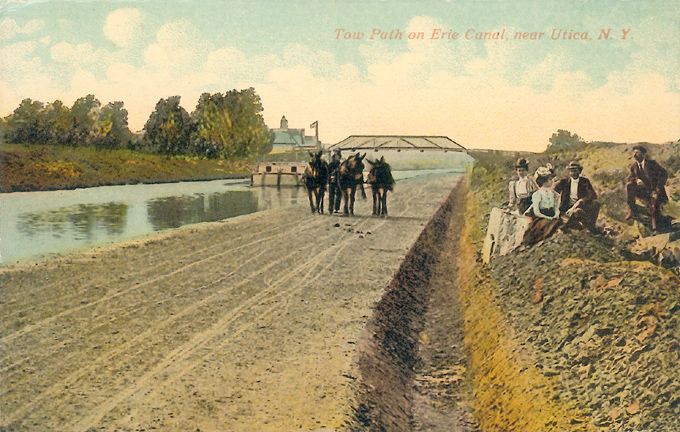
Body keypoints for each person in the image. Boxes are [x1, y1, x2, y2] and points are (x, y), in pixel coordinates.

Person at [625, 145, 668, 231]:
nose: (634, 155)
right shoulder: (634, 166)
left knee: (654, 204)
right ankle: (632, 209)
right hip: (643, 192)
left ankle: (654, 222)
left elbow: (664, 174)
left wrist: (657, 190)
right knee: (629, 185)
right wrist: (637, 180)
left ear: (643, 154)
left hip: (655, 190)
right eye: (634, 153)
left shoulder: (652, 164)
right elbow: (630, 178)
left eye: (637, 153)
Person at [553, 161, 600, 232]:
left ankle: (591, 226)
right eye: (571, 171)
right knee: (576, 214)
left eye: (575, 171)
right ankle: (574, 225)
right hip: (567, 208)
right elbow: (553, 191)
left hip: (581, 205)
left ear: (579, 171)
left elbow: (593, 195)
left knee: (596, 204)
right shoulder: (564, 182)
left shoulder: (585, 181)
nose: (573, 173)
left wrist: (582, 200)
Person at [522, 166, 560, 246]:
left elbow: (556, 207)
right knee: (544, 225)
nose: (552, 181)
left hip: (552, 214)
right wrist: (548, 217)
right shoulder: (537, 194)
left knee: (561, 221)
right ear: (543, 181)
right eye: (549, 179)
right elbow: (536, 212)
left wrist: (556, 214)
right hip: (541, 217)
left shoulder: (554, 194)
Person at [327, 149, 342, 213]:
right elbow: (328, 173)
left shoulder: (341, 165)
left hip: (339, 181)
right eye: (337, 157)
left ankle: (336, 208)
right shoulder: (331, 164)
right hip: (332, 181)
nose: (338, 158)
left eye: (338, 157)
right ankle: (331, 208)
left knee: (339, 195)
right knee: (331, 195)